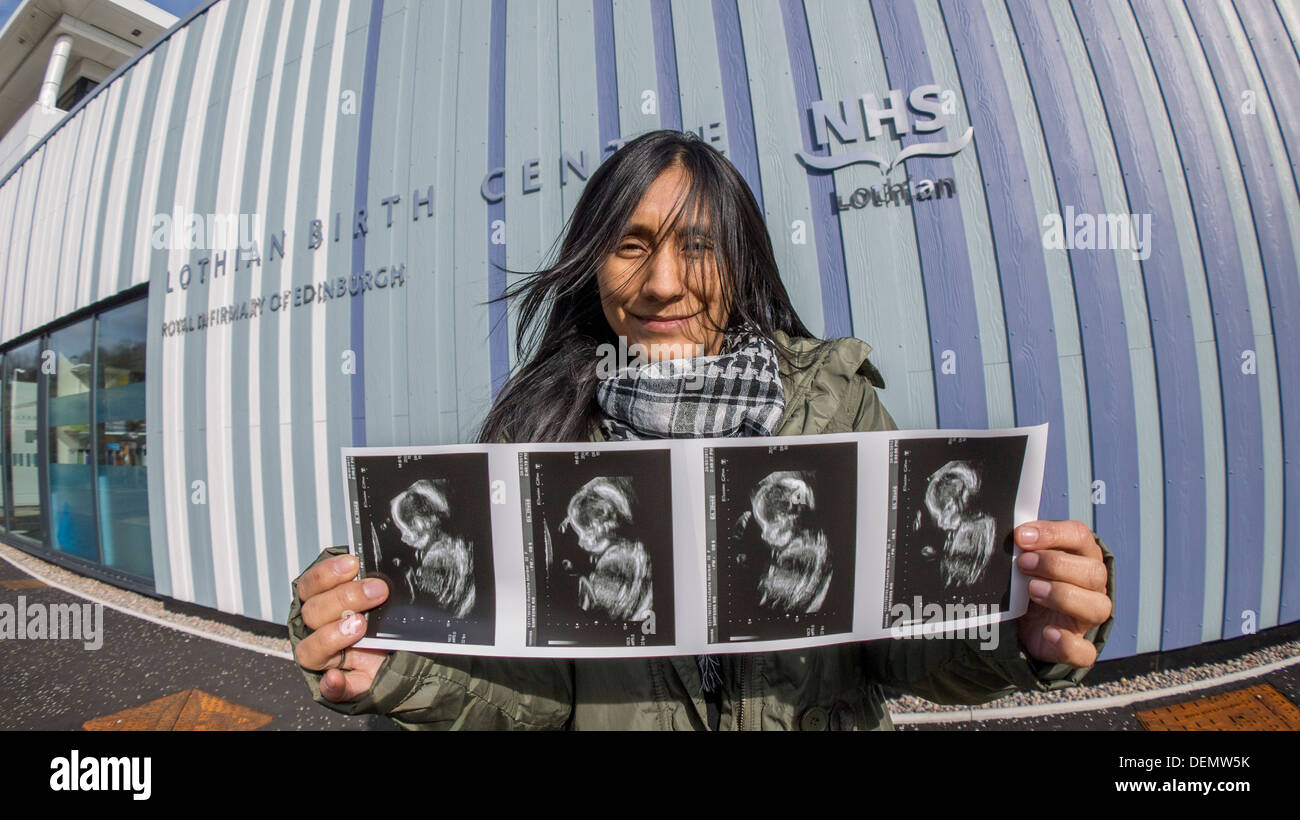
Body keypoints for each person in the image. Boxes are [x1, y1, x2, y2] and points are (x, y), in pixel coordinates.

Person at [288, 130, 1114, 730]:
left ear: (743, 260)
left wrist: (1018, 631)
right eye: (630, 246)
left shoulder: (837, 412)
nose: (662, 284)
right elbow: (530, 698)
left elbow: (900, 652)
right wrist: (396, 660)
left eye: (699, 246)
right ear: (592, 264)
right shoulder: (537, 442)